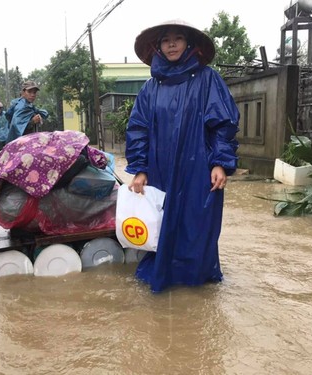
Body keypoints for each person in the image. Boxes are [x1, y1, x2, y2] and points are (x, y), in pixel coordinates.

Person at [125, 19, 240, 293]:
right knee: (161, 221)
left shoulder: (207, 79)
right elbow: (138, 129)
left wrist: (220, 164)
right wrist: (140, 169)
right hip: (159, 168)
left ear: (189, 44)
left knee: (198, 224)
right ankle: (164, 275)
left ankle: (197, 280)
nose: (172, 44)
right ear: (159, 47)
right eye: (166, 40)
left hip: (199, 168)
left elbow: (223, 125)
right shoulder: (150, 88)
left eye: (178, 38)